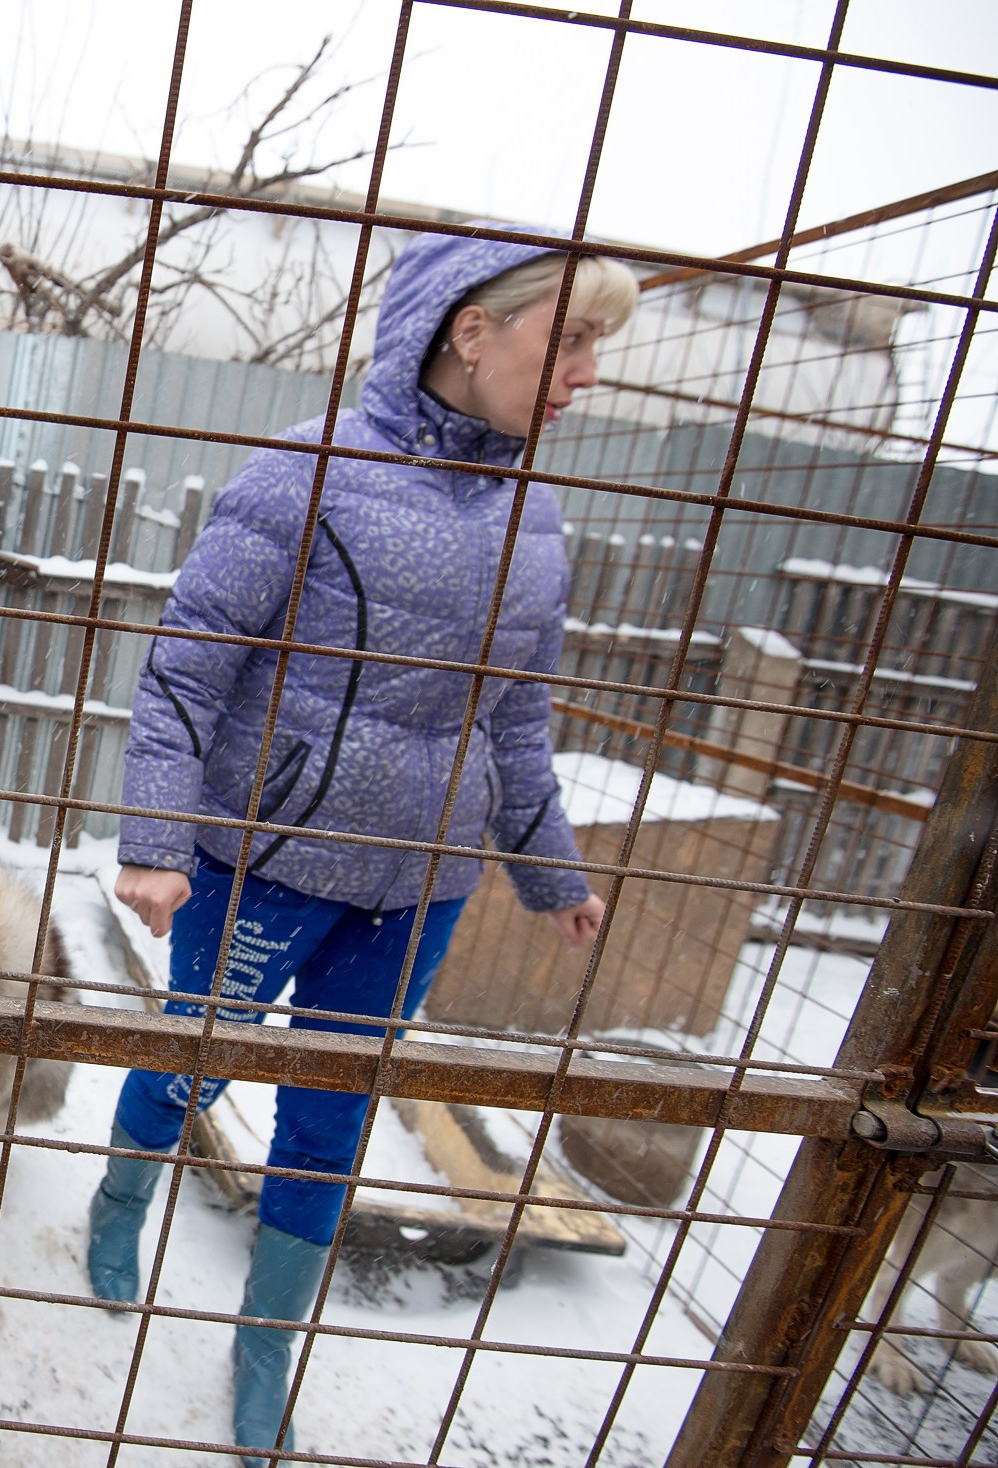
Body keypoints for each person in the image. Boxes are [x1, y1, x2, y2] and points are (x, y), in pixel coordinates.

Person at [93, 227, 638, 1464]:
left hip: (420, 888)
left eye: (600, 344)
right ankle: (120, 1200)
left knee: (330, 1121)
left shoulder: (535, 515)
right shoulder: (307, 471)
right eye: (572, 338)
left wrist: (547, 869)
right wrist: (158, 839)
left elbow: (513, 711)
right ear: (470, 328)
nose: (588, 374)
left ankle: (261, 1351)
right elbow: (188, 668)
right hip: (268, 863)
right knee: (194, 1060)